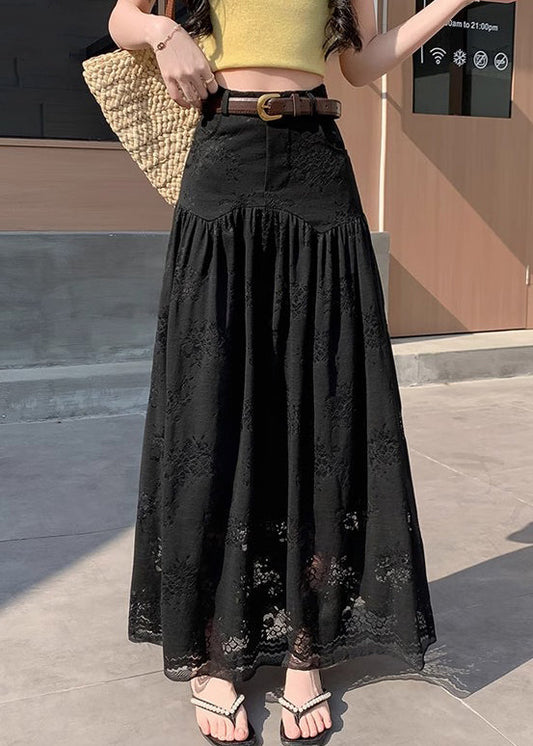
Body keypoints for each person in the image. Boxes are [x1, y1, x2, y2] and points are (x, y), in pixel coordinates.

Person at [107, 0, 513, 743]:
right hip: (221, 153)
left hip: (316, 162)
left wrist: (450, 2)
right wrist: (163, 33)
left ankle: (307, 645)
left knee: (324, 401)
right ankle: (215, 647)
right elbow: (120, 18)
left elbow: (361, 63)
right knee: (212, 398)